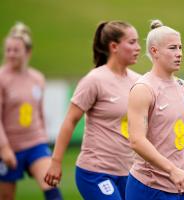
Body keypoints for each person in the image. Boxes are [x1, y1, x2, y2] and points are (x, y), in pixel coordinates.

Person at [44, 20, 141, 200]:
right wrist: (56, 162)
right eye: (132, 42)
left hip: (129, 173)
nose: (138, 48)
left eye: (138, 42)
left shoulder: (139, 81)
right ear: (114, 46)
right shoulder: (94, 80)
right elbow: (70, 120)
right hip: (95, 172)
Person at [126, 19, 184, 200]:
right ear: (154, 51)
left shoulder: (181, 85)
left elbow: (178, 126)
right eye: (172, 48)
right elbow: (136, 141)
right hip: (150, 187)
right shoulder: (143, 89)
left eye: (180, 47)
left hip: (182, 183)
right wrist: (172, 170)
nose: (179, 53)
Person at [0, 22, 63, 200]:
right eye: (8, 50)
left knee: (52, 185)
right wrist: (4, 148)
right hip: (9, 146)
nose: (11, 54)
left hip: (35, 143)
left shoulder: (37, 78)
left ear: (27, 52)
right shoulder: (2, 78)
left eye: (16, 50)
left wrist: (43, 138)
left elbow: (39, 113)